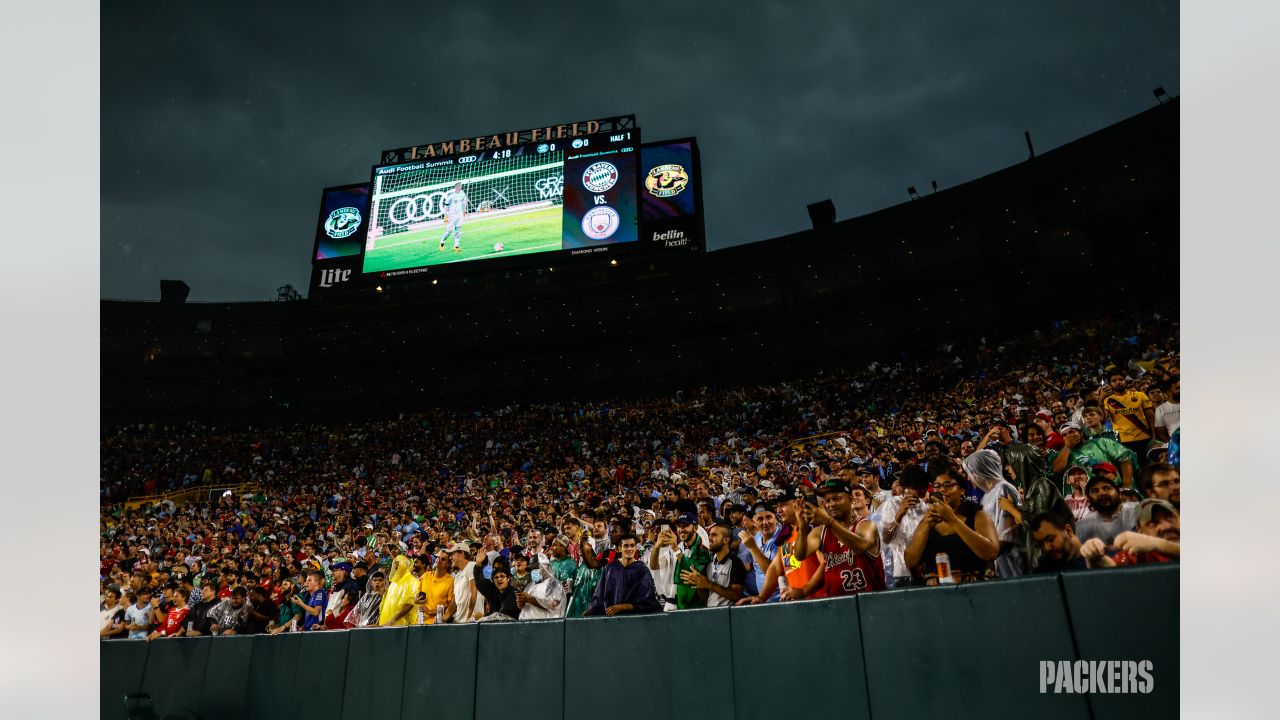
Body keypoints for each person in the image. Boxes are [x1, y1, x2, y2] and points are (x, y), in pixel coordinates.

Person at [904, 470, 1000, 584]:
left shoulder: (977, 515)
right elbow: (910, 562)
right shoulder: (927, 521)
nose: (942, 489)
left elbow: (991, 553)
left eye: (948, 485)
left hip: (973, 589)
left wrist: (953, 520)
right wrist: (925, 524)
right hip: (937, 593)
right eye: (937, 486)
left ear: (962, 490)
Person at [794, 479, 886, 596]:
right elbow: (800, 555)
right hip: (838, 605)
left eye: (836, 498)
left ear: (850, 499)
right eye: (827, 500)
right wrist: (802, 527)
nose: (831, 504)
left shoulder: (865, 525)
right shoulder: (821, 531)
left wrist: (829, 522)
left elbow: (861, 546)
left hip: (870, 601)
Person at [960, 450, 1025, 578]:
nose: (969, 478)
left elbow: (1008, 533)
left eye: (970, 473)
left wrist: (986, 555)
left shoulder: (1003, 488)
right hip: (997, 559)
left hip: (1011, 558)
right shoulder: (987, 495)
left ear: (981, 471)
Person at [876, 466, 930, 587]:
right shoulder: (891, 504)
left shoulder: (926, 508)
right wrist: (899, 515)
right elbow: (885, 538)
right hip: (900, 570)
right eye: (917, 486)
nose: (921, 489)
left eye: (924, 485)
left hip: (923, 569)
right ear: (907, 486)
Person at [585, 534, 661, 616]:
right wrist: (590, 609)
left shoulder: (642, 570)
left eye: (632, 546)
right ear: (619, 548)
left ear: (636, 548)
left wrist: (623, 607)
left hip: (635, 620)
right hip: (612, 620)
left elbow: (648, 601)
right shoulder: (610, 568)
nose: (629, 549)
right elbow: (599, 595)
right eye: (626, 546)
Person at [678, 523, 747, 607]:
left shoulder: (735, 563)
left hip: (729, 615)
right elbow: (706, 598)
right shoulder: (709, 565)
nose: (709, 538)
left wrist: (708, 584)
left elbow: (736, 595)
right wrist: (697, 584)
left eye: (714, 535)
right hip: (711, 612)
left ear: (726, 540)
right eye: (709, 535)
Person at [1100, 372, 1156, 463]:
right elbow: (1102, 419)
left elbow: (1151, 416)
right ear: (1110, 384)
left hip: (1145, 437)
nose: (1118, 382)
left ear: (1125, 381)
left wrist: (1154, 436)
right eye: (1114, 381)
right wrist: (1101, 401)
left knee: (1150, 467)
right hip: (1123, 442)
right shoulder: (1107, 400)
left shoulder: (1140, 395)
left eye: (1121, 379)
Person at [1028, 515, 1114, 573]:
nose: (1047, 548)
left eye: (1050, 539)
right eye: (1040, 544)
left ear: (1068, 531)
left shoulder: (1102, 557)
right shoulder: (1044, 571)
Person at [1074, 473, 1139, 546]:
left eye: (1107, 488)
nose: (1102, 493)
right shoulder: (1081, 528)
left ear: (1119, 493)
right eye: (1095, 491)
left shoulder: (1139, 510)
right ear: (1088, 499)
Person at [1112, 499, 1180, 565]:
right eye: (1152, 523)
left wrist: (1158, 545)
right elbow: (1112, 569)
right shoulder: (1136, 555)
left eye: (1170, 518)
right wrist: (1102, 558)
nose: (1166, 527)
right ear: (1140, 532)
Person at [415, 553, 455, 624]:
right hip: (420, 622)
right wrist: (416, 599)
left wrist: (430, 612)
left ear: (448, 564)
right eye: (438, 558)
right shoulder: (426, 576)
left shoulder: (451, 581)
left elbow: (451, 607)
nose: (438, 560)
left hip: (437, 624)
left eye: (442, 559)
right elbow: (419, 596)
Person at [378, 555, 418, 626]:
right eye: (395, 563)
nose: (396, 565)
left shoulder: (412, 581)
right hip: (386, 624)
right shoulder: (393, 583)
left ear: (406, 565)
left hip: (402, 627)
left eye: (399, 563)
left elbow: (409, 604)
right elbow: (385, 606)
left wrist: (393, 620)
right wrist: (378, 623)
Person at [439, 181, 468, 253]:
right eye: (458, 186)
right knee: (449, 231)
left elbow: (464, 203)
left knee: (458, 230)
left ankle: (456, 246)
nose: (459, 188)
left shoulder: (463, 194)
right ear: (455, 187)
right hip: (452, 216)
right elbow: (446, 206)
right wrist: (445, 215)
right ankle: (442, 242)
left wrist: (464, 211)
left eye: (460, 186)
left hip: (459, 215)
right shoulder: (451, 196)